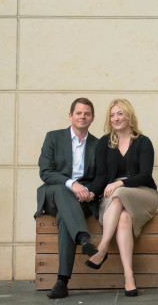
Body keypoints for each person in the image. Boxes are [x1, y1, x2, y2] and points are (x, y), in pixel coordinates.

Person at [85, 98, 158, 297]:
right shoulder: (104, 142)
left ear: (129, 115)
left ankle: (101, 249)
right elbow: (101, 176)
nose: (116, 118)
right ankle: (129, 276)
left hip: (143, 193)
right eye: (112, 115)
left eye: (120, 113)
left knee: (119, 193)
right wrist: (90, 192)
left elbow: (145, 175)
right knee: (124, 218)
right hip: (113, 197)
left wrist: (120, 183)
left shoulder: (143, 142)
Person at [35, 97, 101, 300]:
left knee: (65, 219)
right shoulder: (53, 138)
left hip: (82, 200)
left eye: (87, 113)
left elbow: (100, 177)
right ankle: (83, 238)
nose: (83, 116)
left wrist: (88, 192)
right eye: (79, 113)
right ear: (70, 115)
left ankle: (62, 282)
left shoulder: (98, 145)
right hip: (55, 193)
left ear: (92, 118)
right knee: (64, 191)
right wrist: (72, 184)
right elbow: (46, 172)